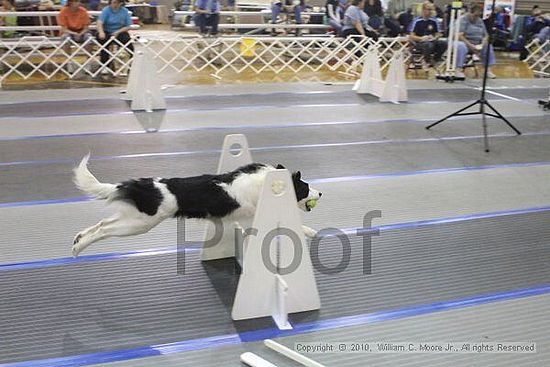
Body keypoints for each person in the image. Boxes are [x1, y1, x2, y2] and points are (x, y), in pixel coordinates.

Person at [454, 3, 497, 79]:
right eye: (475, 15)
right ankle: (458, 69)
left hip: (477, 43)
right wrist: (471, 46)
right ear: (470, 12)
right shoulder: (462, 20)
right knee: (461, 46)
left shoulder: (480, 21)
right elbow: (459, 36)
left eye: (478, 15)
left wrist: (482, 45)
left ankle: (487, 70)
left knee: (488, 47)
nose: (477, 17)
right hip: (464, 42)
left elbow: (485, 35)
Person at [96, 0, 134, 72]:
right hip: (106, 31)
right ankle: (104, 65)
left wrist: (117, 32)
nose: (115, 4)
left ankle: (132, 62)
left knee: (128, 42)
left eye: (117, 2)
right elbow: (100, 22)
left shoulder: (124, 11)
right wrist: (101, 32)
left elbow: (128, 26)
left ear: (121, 3)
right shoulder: (106, 10)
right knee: (103, 42)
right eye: (113, 2)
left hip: (120, 31)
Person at [409, 1, 446, 68]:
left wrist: (434, 37)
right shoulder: (417, 21)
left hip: (432, 41)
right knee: (428, 45)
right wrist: (422, 38)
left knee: (443, 43)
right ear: (423, 10)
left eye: (431, 9)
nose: (430, 11)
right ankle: (426, 60)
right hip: (419, 43)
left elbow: (438, 34)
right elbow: (411, 36)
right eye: (429, 9)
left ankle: (435, 59)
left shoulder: (434, 21)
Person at [57, 0, 93, 70]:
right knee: (65, 39)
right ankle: (69, 62)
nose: (79, 3)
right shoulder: (63, 11)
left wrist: (80, 33)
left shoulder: (83, 11)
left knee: (89, 39)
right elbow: (64, 29)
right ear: (70, 2)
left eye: (79, 1)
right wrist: (74, 33)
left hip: (82, 31)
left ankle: (88, 62)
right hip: (68, 32)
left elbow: (86, 28)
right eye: (76, 1)